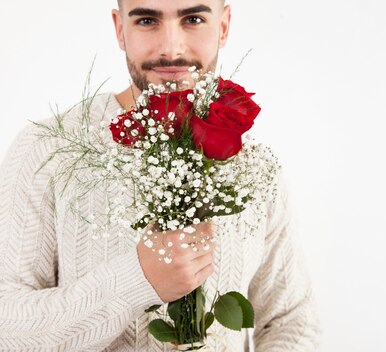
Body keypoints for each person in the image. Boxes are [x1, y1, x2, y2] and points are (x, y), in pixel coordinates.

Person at [0, 0, 321, 350]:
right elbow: (7, 327)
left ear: (224, 26)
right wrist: (137, 280)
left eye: (194, 19)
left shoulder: (254, 167)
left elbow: (291, 318)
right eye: (147, 20)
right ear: (120, 28)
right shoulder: (48, 151)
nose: (171, 48)